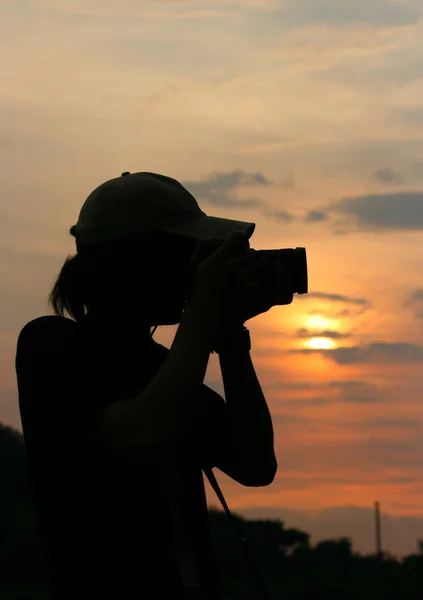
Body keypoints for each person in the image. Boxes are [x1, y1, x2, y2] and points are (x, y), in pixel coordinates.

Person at [15, 172, 293, 600]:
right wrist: (202, 313)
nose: (197, 266)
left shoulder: (162, 366)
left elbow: (255, 464)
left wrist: (232, 341)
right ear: (139, 262)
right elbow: (141, 433)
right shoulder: (51, 344)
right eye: (188, 251)